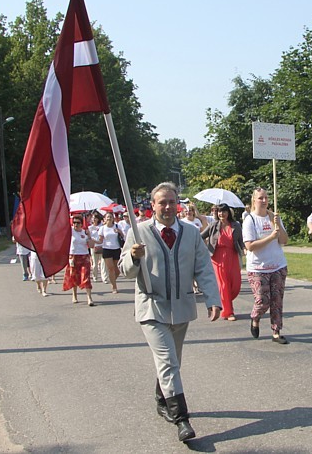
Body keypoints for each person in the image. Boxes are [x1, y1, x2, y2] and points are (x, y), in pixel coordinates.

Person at [119, 181, 221, 443]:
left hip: (182, 308)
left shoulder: (190, 232)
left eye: (171, 202)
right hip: (151, 308)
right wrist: (133, 256)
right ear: (152, 205)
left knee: (172, 360)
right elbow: (125, 271)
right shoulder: (138, 232)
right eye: (161, 202)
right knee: (168, 361)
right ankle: (182, 419)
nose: (167, 206)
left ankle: (161, 399)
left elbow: (203, 268)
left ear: (178, 205)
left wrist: (213, 299)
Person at [242, 187, 289, 344]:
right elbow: (250, 246)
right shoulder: (250, 220)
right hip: (258, 268)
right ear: (254, 200)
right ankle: (255, 317)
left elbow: (284, 240)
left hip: (277, 266)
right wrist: (270, 237)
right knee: (263, 300)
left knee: (277, 301)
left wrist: (277, 225)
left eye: (266, 198)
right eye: (260, 198)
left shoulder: (274, 218)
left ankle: (276, 331)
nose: (264, 201)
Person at [202, 204, 245, 320]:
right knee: (223, 285)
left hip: (233, 256)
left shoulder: (236, 225)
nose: (222, 214)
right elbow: (200, 236)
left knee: (235, 285)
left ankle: (223, 301)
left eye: (224, 211)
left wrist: (244, 248)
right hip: (217, 258)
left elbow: (240, 241)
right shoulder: (213, 225)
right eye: (219, 212)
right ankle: (228, 312)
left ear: (228, 212)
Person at [63, 216, 96, 306]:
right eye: (74, 222)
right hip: (73, 256)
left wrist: (89, 236)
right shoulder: (71, 231)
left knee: (86, 276)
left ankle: (89, 298)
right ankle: (74, 295)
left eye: (78, 223)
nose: (75, 224)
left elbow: (92, 245)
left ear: (82, 224)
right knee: (74, 276)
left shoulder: (85, 232)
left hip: (84, 256)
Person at [98, 212, 123, 294]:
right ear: (104, 219)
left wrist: (119, 232)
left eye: (110, 217)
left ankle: (112, 280)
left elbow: (123, 236)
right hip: (107, 249)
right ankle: (114, 286)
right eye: (107, 217)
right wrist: (93, 242)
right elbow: (100, 240)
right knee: (111, 268)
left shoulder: (117, 226)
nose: (109, 218)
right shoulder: (102, 228)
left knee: (118, 270)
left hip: (116, 249)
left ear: (113, 218)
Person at [88, 214, 108, 285]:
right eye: (93, 218)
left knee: (103, 263)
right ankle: (95, 276)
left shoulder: (102, 226)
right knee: (95, 263)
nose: (93, 219)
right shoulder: (90, 227)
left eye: (95, 218)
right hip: (94, 246)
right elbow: (88, 236)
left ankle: (104, 278)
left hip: (102, 246)